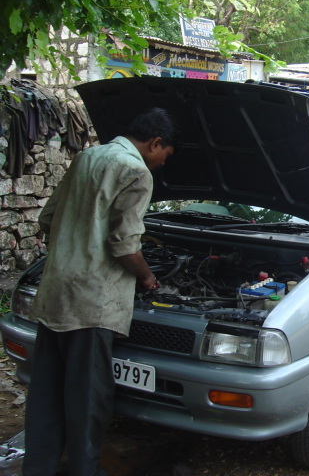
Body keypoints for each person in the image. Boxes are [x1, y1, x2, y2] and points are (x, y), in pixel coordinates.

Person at [22, 107, 178, 476]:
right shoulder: (136, 171)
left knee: (46, 390)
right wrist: (146, 277)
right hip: (92, 303)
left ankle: (38, 467)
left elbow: (47, 219)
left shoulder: (88, 156)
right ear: (155, 143)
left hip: (56, 291)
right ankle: (84, 469)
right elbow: (124, 245)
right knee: (87, 396)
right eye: (164, 157)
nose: (160, 166)